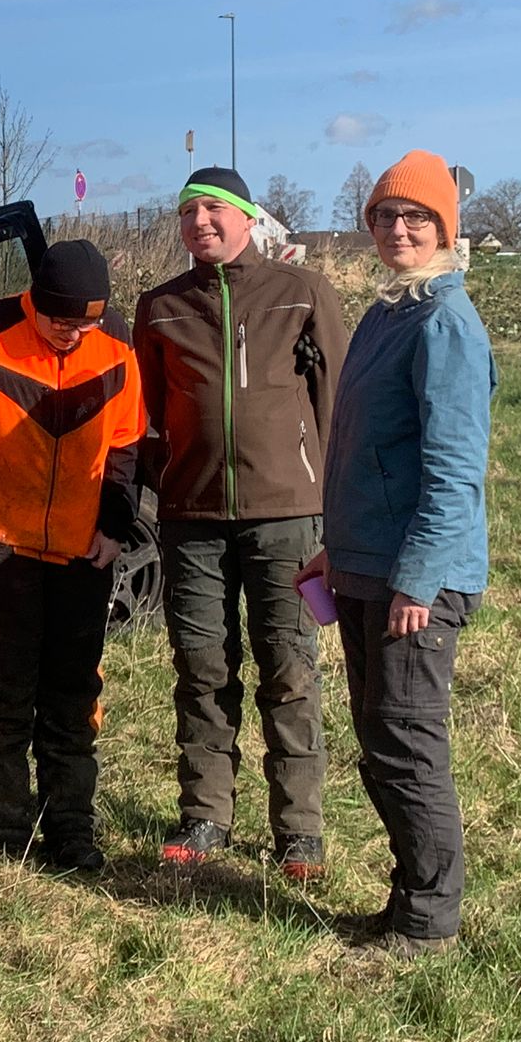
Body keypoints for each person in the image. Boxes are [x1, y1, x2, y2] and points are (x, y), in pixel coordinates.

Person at [295, 151, 495, 959]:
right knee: (381, 739)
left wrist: (418, 577)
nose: (399, 229)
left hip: (418, 575)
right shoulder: (389, 313)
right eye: (386, 215)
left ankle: (428, 920)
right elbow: (362, 450)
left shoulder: (444, 322)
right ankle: (408, 894)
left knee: (407, 743)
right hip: (365, 564)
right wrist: (332, 551)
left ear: (446, 229)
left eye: (417, 217)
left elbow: (453, 472)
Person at [134, 167, 348, 880]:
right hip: (191, 517)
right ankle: (205, 815)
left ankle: (299, 828)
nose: (200, 222)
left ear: (247, 218)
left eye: (214, 209)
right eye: (188, 211)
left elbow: (336, 408)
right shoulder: (159, 307)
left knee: (288, 669)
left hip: (287, 516)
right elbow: (150, 414)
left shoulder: (302, 292)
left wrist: (337, 506)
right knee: (201, 669)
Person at [0, 240, 145, 872]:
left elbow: (127, 441)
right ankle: (1, 833)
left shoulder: (117, 343)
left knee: (74, 694)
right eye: (59, 323)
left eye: (85, 325)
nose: (71, 336)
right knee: (2, 692)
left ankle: (72, 830)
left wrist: (115, 526)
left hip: (81, 554)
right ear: (34, 303)